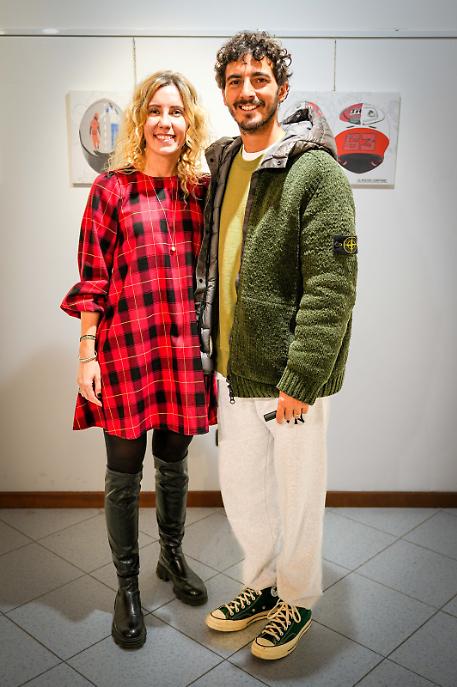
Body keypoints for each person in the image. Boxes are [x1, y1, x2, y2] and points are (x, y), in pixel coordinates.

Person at [196, 31, 357, 660]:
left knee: (298, 498)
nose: (247, 91)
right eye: (235, 80)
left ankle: (297, 598)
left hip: (290, 378)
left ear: (282, 89)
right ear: (224, 93)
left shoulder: (317, 172)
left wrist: (303, 378)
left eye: (259, 79)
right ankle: (261, 585)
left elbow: (332, 285)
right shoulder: (220, 167)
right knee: (245, 496)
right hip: (234, 371)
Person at [61, 70, 217, 650]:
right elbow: (93, 278)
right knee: (123, 471)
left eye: (176, 112)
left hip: (183, 352)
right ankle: (127, 586)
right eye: (155, 111)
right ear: (140, 119)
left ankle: (170, 555)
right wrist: (87, 354)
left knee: (174, 461)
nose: (165, 122)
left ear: (189, 122)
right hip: (127, 349)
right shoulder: (111, 189)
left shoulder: (202, 192)